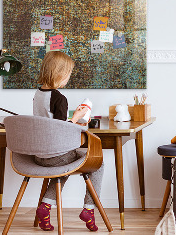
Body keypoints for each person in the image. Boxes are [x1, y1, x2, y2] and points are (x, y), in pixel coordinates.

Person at [33, 51, 104, 232]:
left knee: (63, 167)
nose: (68, 78)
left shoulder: (38, 94)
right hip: (56, 155)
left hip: (39, 155)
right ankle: (89, 209)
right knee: (98, 163)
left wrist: (74, 119)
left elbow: (50, 124)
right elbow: (61, 130)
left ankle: (46, 207)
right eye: (68, 74)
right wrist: (77, 118)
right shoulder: (59, 98)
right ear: (59, 73)